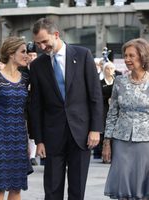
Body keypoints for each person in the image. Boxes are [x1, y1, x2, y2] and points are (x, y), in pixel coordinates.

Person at [30, 18, 103, 200]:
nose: (41, 47)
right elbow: (36, 105)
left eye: (44, 41)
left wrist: (95, 129)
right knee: (52, 190)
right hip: (52, 136)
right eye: (37, 43)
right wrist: (39, 140)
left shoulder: (83, 54)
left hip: (82, 134)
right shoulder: (38, 65)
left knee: (77, 190)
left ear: (56, 35)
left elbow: (95, 96)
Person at [102, 38, 149, 200]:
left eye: (131, 55)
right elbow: (112, 113)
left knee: (144, 190)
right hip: (121, 140)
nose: (127, 59)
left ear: (142, 57)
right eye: (125, 55)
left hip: (147, 142)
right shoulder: (119, 82)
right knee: (123, 188)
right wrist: (107, 142)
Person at [0, 36, 33, 200]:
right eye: (23, 52)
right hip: (0, 138)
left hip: (19, 138)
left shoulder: (25, 78)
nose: (27, 55)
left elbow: (26, 111)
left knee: (16, 188)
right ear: (11, 53)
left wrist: (28, 142)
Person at [93, 61, 115, 160]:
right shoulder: (100, 83)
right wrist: (106, 99)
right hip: (104, 108)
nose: (109, 70)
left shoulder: (117, 83)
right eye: (107, 68)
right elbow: (97, 96)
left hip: (114, 109)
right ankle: (101, 152)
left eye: (111, 68)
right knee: (103, 130)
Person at [26, 41, 38, 166]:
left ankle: (33, 156)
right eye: (30, 55)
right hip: (23, 105)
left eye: (34, 55)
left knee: (33, 130)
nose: (32, 58)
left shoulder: (40, 69)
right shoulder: (22, 70)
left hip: (35, 104)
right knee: (24, 130)